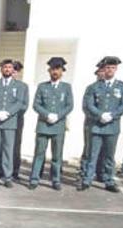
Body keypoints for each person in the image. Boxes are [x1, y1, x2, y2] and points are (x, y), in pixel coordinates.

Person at [78, 56, 123, 192]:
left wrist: (112, 115)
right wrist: (100, 115)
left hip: (112, 127)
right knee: (92, 155)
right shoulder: (93, 87)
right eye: (107, 68)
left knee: (109, 156)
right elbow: (89, 104)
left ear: (116, 69)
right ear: (103, 69)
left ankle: (109, 180)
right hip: (97, 126)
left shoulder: (122, 86)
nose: (110, 70)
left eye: (112, 68)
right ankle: (87, 180)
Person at [28, 57, 73, 190]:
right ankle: (34, 179)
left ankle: (56, 180)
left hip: (58, 126)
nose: (55, 72)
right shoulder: (42, 86)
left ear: (62, 71)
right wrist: (47, 114)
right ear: (49, 70)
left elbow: (69, 105)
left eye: (58, 69)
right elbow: (36, 104)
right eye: (53, 69)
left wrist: (58, 116)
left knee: (57, 155)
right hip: (43, 125)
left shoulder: (67, 87)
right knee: (39, 153)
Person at [0, 59, 28, 188]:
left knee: (8, 150)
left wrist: (7, 113)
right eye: (5, 67)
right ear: (1, 69)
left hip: (10, 122)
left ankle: (7, 177)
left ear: (13, 70)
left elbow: (19, 102)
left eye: (10, 67)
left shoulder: (19, 86)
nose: (7, 69)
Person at [10, 61, 30, 182]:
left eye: (16, 71)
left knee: (15, 145)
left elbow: (24, 105)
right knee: (3, 145)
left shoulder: (23, 86)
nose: (14, 73)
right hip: (3, 120)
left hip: (17, 119)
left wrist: (11, 113)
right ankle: (1, 169)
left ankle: (14, 171)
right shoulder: (2, 84)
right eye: (12, 70)